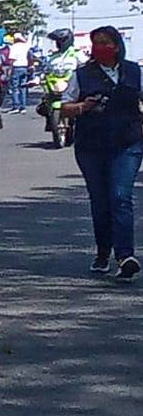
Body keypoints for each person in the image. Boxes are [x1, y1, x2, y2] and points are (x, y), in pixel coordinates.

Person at [61, 26, 142, 281]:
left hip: (127, 144)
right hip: (92, 147)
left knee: (120, 196)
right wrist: (83, 107)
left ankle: (125, 256)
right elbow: (63, 107)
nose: (100, 47)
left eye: (105, 42)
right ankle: (103, 252)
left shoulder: (134, 71)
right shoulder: (82, 75)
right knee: (100, 201)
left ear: (117, 45)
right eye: (96, 43)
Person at [7, 33, 32, 113]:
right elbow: (30, 56)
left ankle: (16, 106)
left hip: (16, 67)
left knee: (14, 87)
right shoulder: (26, 46)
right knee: (23, 87)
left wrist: (9, 70)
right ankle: (23, 107)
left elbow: (12, 59)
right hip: (24, 67)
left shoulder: (14, 47)